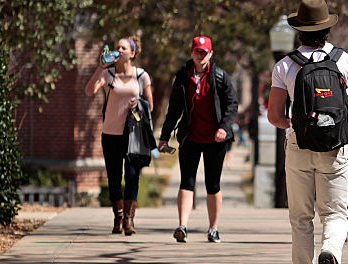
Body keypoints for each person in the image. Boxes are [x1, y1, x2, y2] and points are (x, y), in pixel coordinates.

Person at [267, 0, 348, 264]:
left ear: (298, 31)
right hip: (336, 147)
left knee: (301, 219)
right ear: (327, 29)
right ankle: (331, 252)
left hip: (299, 147)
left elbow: (274, 115)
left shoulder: (285, 66)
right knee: (335, 214)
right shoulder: (346, 62)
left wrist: (296, 125)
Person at [158, 36, 239, 243]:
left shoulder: (220, 76)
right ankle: (182, 226)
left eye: (204, 52)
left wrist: (224, 128)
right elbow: (174, 109)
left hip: (215, 139)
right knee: (187, 181)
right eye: (197, 51)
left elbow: (232, 104)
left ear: (210, 54)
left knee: (213, 184)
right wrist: (164, 137)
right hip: (190, 137)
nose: (200, 55)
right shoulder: (183, 77)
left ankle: (213, 228)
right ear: (191, 53)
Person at [84, 36, 153, 236]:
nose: (119, 50)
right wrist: (100, 67)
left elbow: (150, 105)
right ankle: (118, 218)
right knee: (114, 177)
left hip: (133, 135)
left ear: (132, 53)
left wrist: (138, 104)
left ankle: (129, 220)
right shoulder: (108, 74)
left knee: (132, 176)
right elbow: (89, 91)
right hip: (111, 133)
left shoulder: (142, 76)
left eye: (124, 48)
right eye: (117, 47)